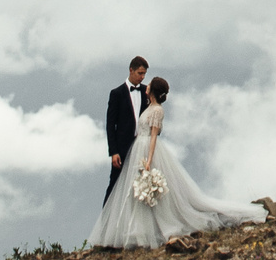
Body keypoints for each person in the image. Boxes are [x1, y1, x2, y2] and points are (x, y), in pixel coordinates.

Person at [83, 76, 264, 249]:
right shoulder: (148, 105)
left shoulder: (157, 110)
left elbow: (154, 136)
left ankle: (150, 228)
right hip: (137, 148)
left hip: (147, 149)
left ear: (152, 90)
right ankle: (134, 229)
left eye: (149, 83)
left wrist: (149, 159)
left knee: (150, 190)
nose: (145, 84)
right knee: (135, 190)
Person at [105, 56, 149, 202]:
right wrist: (114, 152)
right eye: (140, 73)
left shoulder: (147, 91)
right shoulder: (116, 94)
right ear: (131, 70)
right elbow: (111, 125)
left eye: (144, 74)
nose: (142, 77)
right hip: (122, 148)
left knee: (142, 184)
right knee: (115, 184)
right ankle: (105, 221)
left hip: (142, 145)